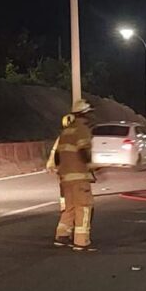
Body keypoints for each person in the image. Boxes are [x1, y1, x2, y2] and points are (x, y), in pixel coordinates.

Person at [53, 99, 96, 251]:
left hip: (65, 178)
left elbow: (57, 156)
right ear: (84, 114)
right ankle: (81, 242)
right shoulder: (82, 130)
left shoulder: (65, 132)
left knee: (69, 208)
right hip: (79, 177)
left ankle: (62, 236)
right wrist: (90, 167)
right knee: (83, 208)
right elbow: (84, 150)